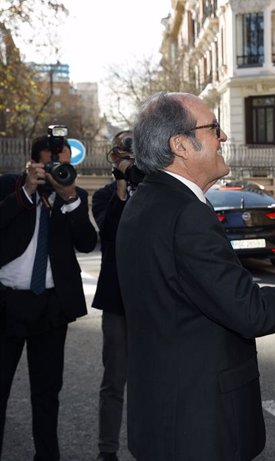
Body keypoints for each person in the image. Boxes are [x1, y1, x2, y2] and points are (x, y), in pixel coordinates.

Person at [116, 92, 275, 460]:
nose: (223, 138)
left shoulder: (145, 202)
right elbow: (249, 311)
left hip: (164, 418)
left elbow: (208, 293)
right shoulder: (186, 214)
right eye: (214, 128)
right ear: (181, 145)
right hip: (198, 428)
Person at [0, 135, 97, 460]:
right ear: (33, 163)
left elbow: (86, 243)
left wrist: (69, 200)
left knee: (46, 395)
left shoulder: (72, 194)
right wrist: (26, 190)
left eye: (65, 164)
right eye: (51, 164)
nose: (58, 170)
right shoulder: (10, 187)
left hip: (51, 309)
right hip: (6, 305)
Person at [91, 130, 138, 461]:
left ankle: (151, 444)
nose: (129, 158)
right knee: (114, 381)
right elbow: (109, 234)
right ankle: (107, 450)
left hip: (155, 302)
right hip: (118, 301)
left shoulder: (154, 190)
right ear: (113, 156)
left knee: (154, 379)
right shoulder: (105, 195)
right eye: (124, 153)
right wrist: (121, 186)